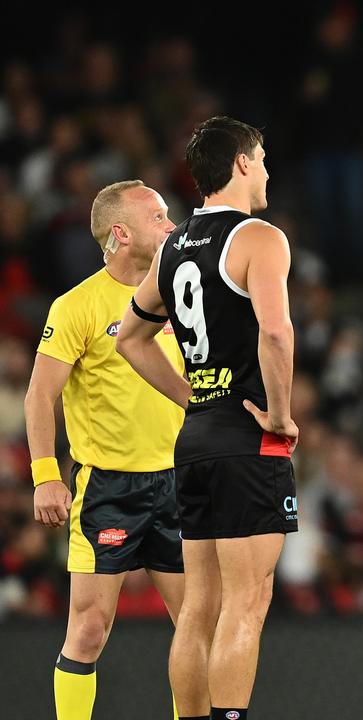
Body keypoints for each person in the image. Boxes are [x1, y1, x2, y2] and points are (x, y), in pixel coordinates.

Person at [117, 116, 298, 720]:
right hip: (248, 440)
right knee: (247, 602)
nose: (268, 170)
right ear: (242, 163)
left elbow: (132, 339)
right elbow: (274, 332)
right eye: (263, 157)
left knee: (200, 604)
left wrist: (193, 397)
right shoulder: (259, 239)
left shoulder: (173, 247)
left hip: (194, 440)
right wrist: (280, 414)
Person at [25, 179, 187, 719]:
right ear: (121, 233)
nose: (170, 226)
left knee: (198, 628)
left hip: (179, 483)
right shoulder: (79, 305)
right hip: (108, 488)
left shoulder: (185, 294)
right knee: (89, 629)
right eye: (158, 217)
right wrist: (46, 473)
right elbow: (40, 394)